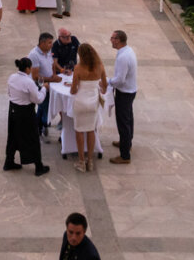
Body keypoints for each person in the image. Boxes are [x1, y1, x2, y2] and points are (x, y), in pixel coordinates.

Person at [4, 57, 51, 176]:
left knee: (13, 136)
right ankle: (38, 167)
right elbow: (38, 99)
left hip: (13, 110)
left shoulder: (12, 77)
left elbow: (9, 93)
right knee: (32, 138)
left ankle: (9, 161)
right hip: (26, 113)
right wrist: (44, 89)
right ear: (27, 68)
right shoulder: (28, 82)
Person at [70, 42, 107, 172]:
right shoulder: (100, 66)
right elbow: (105, 86)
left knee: (79, 131)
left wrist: (72, 87)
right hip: (93, 103)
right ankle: (90, 161)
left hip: (81, 102)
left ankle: (81, 162)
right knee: (91, 130)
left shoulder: (78, 68)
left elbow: (73, 90)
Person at [107, 30, 137, 165]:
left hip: (124, 92)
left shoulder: (123, 57)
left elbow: (120, 80)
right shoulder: (128, 51)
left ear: (118, 40)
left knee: (123, 123)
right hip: (131, 90)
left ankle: (125, 155)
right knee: (128, 118)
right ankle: (126, 142)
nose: (110, 40)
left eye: (112, 38)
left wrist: (108, 82)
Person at [29, 33, 61, 138]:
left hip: (50, 83)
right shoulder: (34, 55)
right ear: (42, 43)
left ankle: (38, 127)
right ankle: (44, 124)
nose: (52, 45)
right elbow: (35, 76)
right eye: (49, 43)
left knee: (42, 108)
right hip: (40, 85)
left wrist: (55, 75)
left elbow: (52, 64)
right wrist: (51, 79)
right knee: (46, 107)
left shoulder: (47, 51)